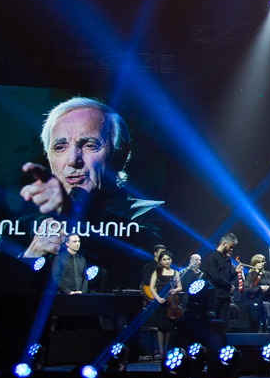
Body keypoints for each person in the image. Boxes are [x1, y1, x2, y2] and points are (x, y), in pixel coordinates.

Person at [17, 97, 162, 261]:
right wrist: (30, 256)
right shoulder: (18, 228)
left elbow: (151, 254)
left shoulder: (156, 215)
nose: (73, 160)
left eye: (90, 145)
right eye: (60, 147)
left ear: (121, 153)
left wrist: (76, 213)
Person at [147, 251, 181, 358]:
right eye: (164, 259)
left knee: (169, 327)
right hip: (161, 302)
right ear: (161, 261)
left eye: (168, 259)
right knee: (161, 327)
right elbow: (151, 288)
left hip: (172, 302)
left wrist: (175, 290)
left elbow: (180, 287)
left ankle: (166, 351)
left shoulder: (176, 272)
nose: (167, 261)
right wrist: (158, 299)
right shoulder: (157, 272)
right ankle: (161, 352)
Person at [201, 233, 240, 321]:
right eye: (230, 247)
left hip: (226, 296)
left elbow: (227, 276)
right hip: (215, 296)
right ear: (224, 243)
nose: (231, 249)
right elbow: (216, 277)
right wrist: (229, 285)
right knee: (213, 322)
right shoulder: (212, 258)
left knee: (224, 323)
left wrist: (236, 272)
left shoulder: (227, 259)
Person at [245, 253, 270, 330]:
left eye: (262, 262)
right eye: (259, 262)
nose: (262, 263)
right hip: (255, 303)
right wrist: (260, 287)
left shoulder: (268, 274)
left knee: (267, 326)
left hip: (266, 302)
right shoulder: (251, 275)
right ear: (254, 264)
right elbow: (247, 289)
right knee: (255, 326)